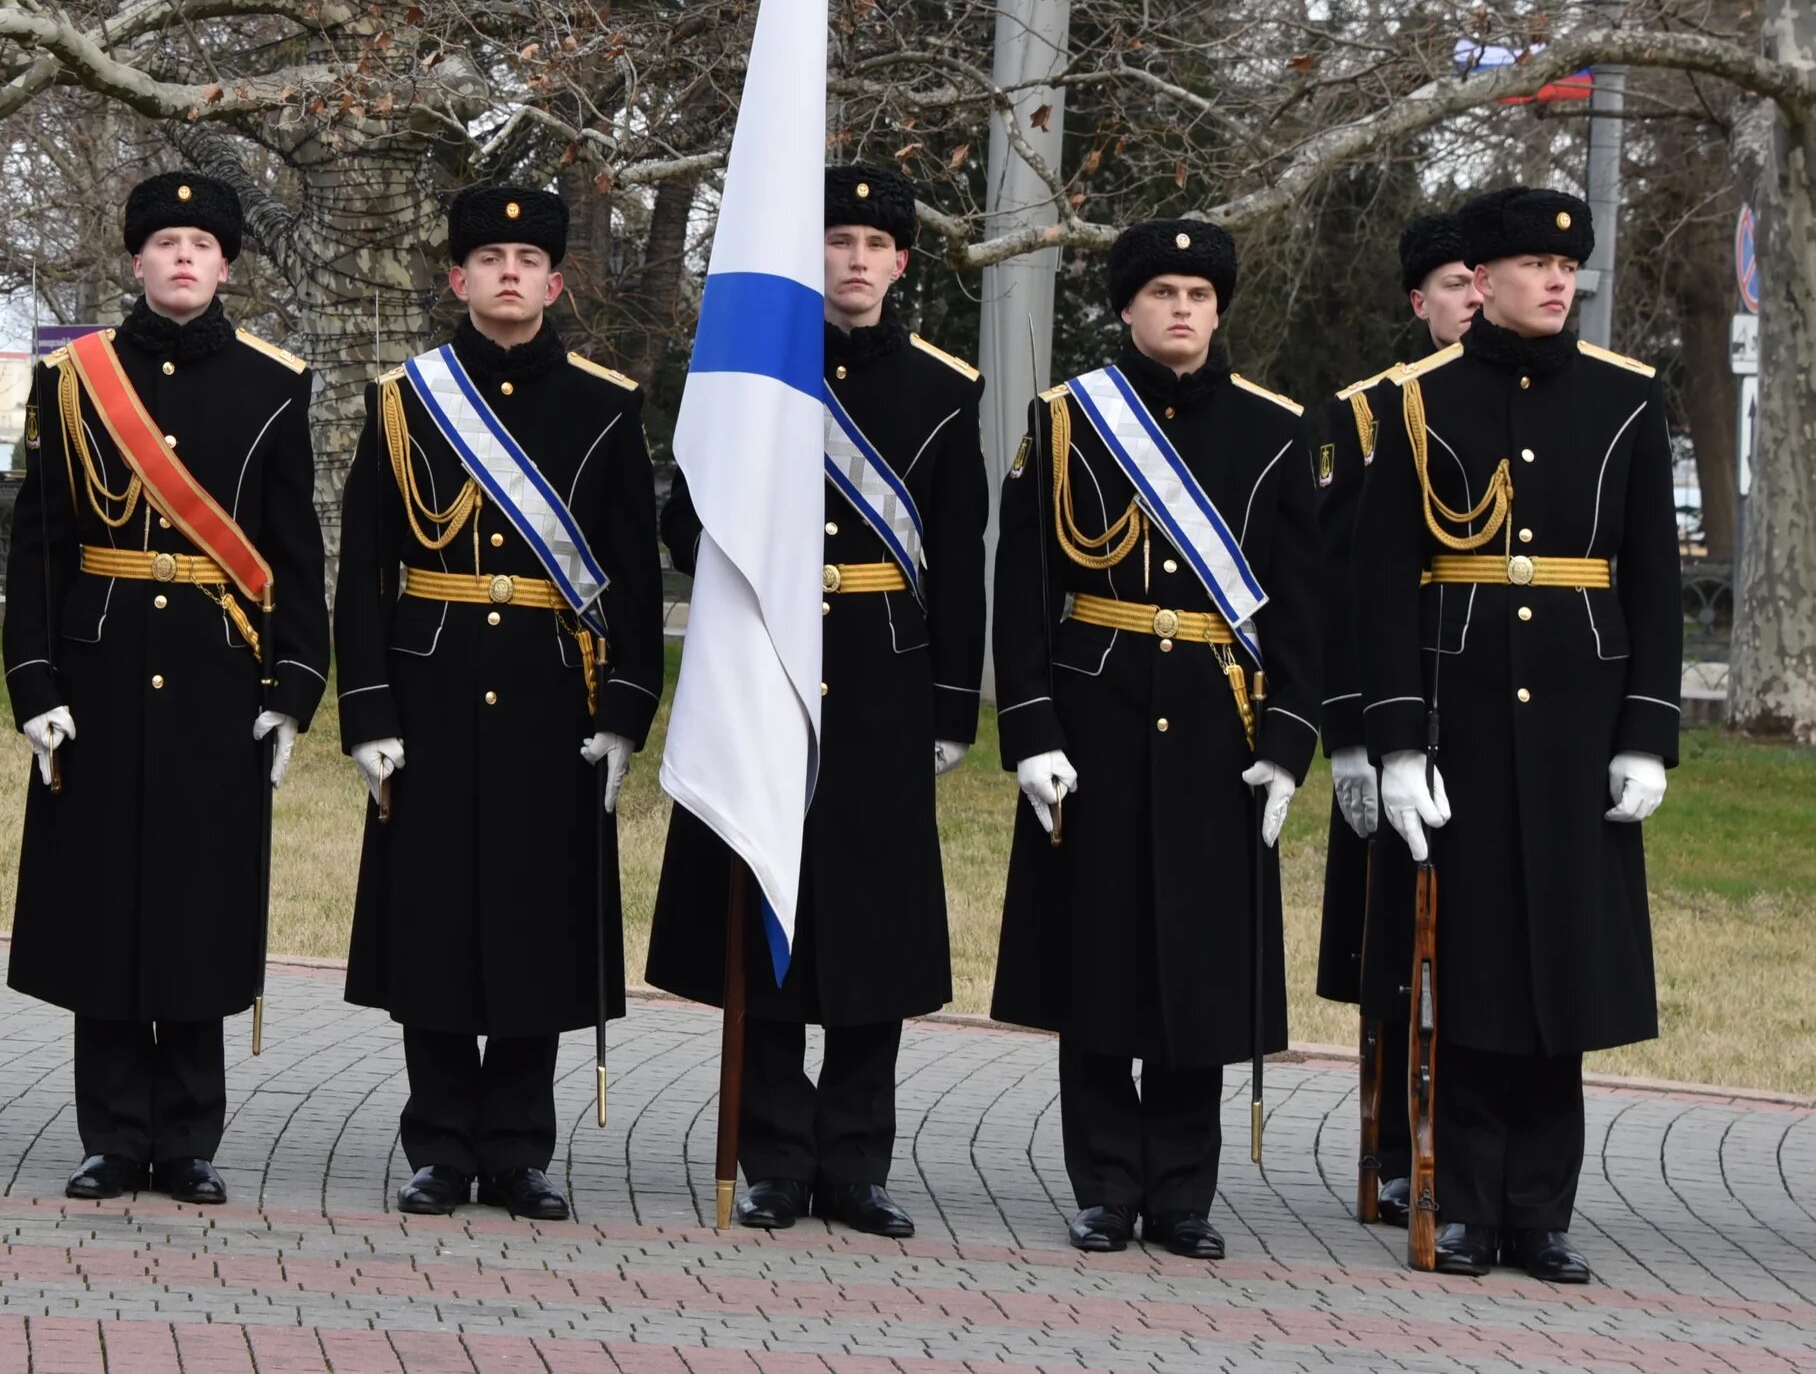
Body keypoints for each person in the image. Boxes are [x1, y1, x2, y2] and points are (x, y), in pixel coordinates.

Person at [641, 164, 987, 1235]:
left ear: (901, 262)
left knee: (872, 932)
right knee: (769, 915)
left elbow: (958, 555)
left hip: (883, 679)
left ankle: (857, 1164)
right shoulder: (756, 373)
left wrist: (948, 705)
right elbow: (682, 521)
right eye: (836, 238)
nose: (853, 259)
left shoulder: (943, 387)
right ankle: (775, 1158)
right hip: (769, 667)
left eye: (874, 242)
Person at [1353, 186, 1680, 1283]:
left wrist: (1646, 732)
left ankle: (1541, 1210)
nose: (1555, 280)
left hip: (1581, 723)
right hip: (1463, 721)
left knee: (1568, 975)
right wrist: (1398, 741)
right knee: (1476, 971)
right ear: (1478, 280)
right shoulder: (1417, 400)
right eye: (1533, 264)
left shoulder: (1627, 399)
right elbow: (1387, 583)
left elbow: (1654, 584)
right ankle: (1466, 1202)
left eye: (1567, 264)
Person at [987, 219, 1320, 1258]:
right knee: (1098, 956)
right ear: (1126, 307)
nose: (1184, 309)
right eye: (1165, 291)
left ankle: (1181, 1192)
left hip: (1220, 724)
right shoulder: (1065, 421)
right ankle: (1104, 1184)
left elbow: (1305, 602)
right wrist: (1031, 724)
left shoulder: (1274, 429)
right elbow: (1027, 584)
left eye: (1201, 294)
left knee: (1202, 965)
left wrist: (1289, 738)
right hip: (1096, 712)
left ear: (1221, 310)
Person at [334, 184, 666, 1220]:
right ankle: (439, 1141)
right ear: (457, 278)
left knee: (538, 921)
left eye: (528, 257)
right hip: (429, 688)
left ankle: (520, 1144)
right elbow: (367, 571)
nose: (510, 271)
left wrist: (622, 711)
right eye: (490, 257)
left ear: (557, 281)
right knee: (431, 919)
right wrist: (372, 712)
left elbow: (633, 578)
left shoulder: (606, 405)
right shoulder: (404, 399)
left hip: (549, 696)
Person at [1, 170, 327, 1203]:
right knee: (103, 905)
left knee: (198, 904)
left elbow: (292, 550)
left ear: (227, 264)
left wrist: (292, 684)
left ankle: (186, 1136)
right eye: (165, 242)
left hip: (215, 676)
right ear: (134, 261)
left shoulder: (275, 381)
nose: (183, 257)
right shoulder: (74, 377)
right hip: (96, 668)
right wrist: (34, 676)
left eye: (202, 243)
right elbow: (41, 539)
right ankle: (111, 1132)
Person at [1311, 210, 1478, 1221]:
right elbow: (1339, 585)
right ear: (1421, 301)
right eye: (1454, 282)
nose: (1469, 296)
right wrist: (1351, 737)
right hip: (1391, 708)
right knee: (1392, 944)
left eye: (1477, 279)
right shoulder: (1372, 413)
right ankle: (1391, 1141)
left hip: (1485, 712)